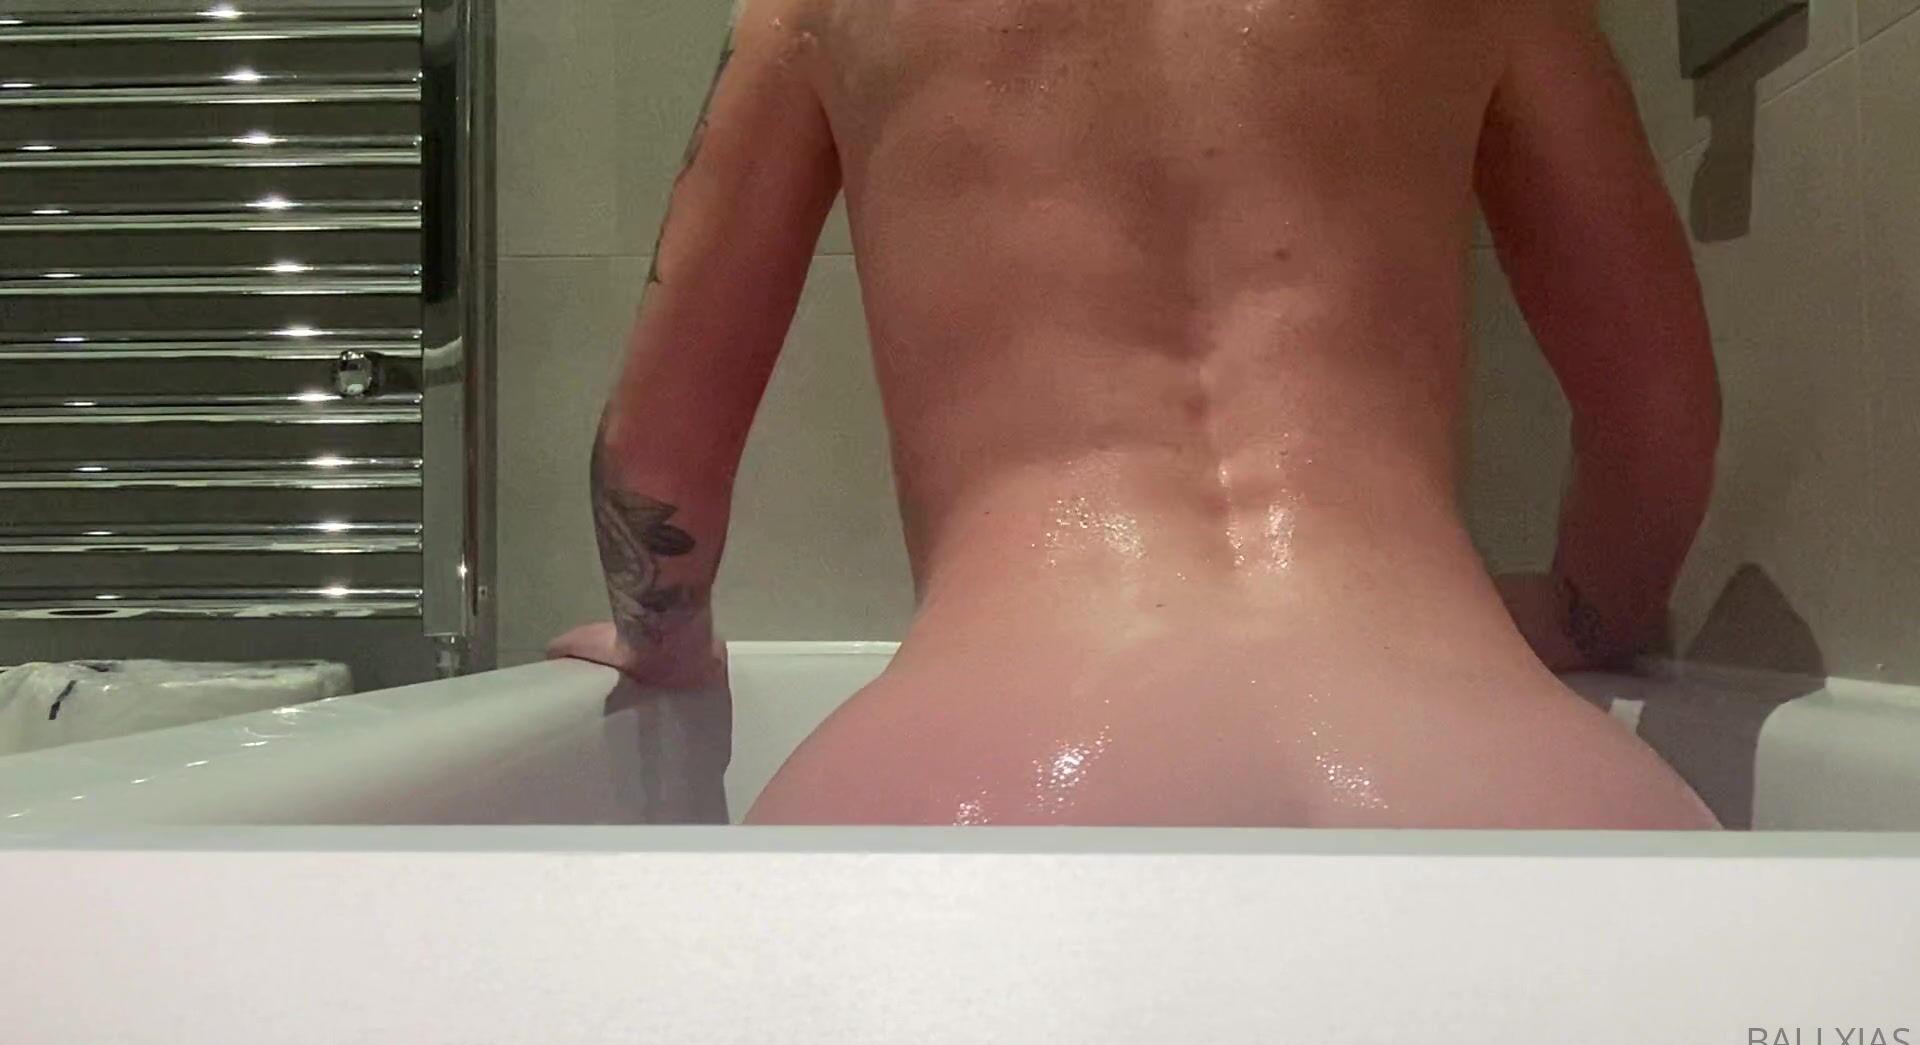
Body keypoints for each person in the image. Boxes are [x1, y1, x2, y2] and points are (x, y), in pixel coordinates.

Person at [549, 0, 1723, 828]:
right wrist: (1588, 615)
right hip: (1486, 771)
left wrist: (666, 644)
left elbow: (657, 459)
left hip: (971, 776)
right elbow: (1660, 415)